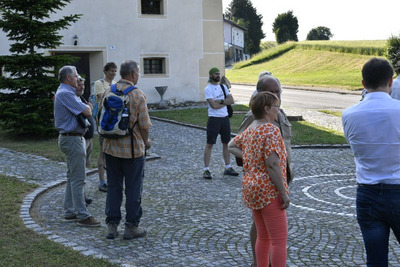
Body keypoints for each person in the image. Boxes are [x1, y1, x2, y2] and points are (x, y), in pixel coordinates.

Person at [342, 58, 400, 266]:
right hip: (397, 188)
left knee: (375, 260)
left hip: (367, 192)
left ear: (363, 83)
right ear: (391, 81)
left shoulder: (349, 114)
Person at [238, 73, 294, 267]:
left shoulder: (279, 113)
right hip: (269, 184)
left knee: (265, 233)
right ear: (261, 95)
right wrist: (255, 160)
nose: (277, 95)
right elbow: (240, 146)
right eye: (272, 92)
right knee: (276, 236)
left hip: (275, 179)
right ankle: (260, 263)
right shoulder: (255, 118)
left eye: (278, 91)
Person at [101, 60, 152, 240]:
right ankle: (131, 227)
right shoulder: (138, 95)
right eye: (137, 73)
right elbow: (145, 125)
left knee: (113, 187)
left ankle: (112, 226)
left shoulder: (109, 90)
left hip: (110, 148)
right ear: (132, 75)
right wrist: (146, 142)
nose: (138, 75)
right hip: (132, 151)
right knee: (133, 189)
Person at [53, 65, 100, 227]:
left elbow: (86, 109)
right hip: (72, 139)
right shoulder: (66, 93)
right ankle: (82, 214)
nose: (78, 78)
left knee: (72, 177)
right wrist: (87, 107)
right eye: (76, 75)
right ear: (68, 78)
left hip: (72, 138)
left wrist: (87, 107)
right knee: (79, 179)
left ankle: (69, 211)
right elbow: (87, 111)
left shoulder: (67, 92)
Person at [203, 67, 238, 179]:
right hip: (214, 119)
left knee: (226, 143)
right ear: (211, 75)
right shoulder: (208, 89)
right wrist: (224, 102)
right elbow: (214, 106)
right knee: (210, 144)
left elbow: (231, 101)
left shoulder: (223, 87)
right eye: (215, 74)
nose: (218, 75)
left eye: (219, 74)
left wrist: (220, 101)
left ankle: (228, 167)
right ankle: (206, 169)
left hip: (225, 118)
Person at [94, 62, 118, 192]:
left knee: (113, 151)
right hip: (104, 122)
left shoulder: (115, 84)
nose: (113, 73)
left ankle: (112, 179)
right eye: (111, 71)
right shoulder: (99, 84)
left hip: (115, 122)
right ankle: (102, 181)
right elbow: (102, 98)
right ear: (106, 71)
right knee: (103, 150)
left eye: (115, 71)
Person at [75, 75, 95, 168]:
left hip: (89, 137)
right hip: (81, 138)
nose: (82, 87)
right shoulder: (74, 100)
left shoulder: (82, 99)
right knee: (80, 164)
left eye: (83, 85)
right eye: (79, 85)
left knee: (87, 163)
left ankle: (85, 179)